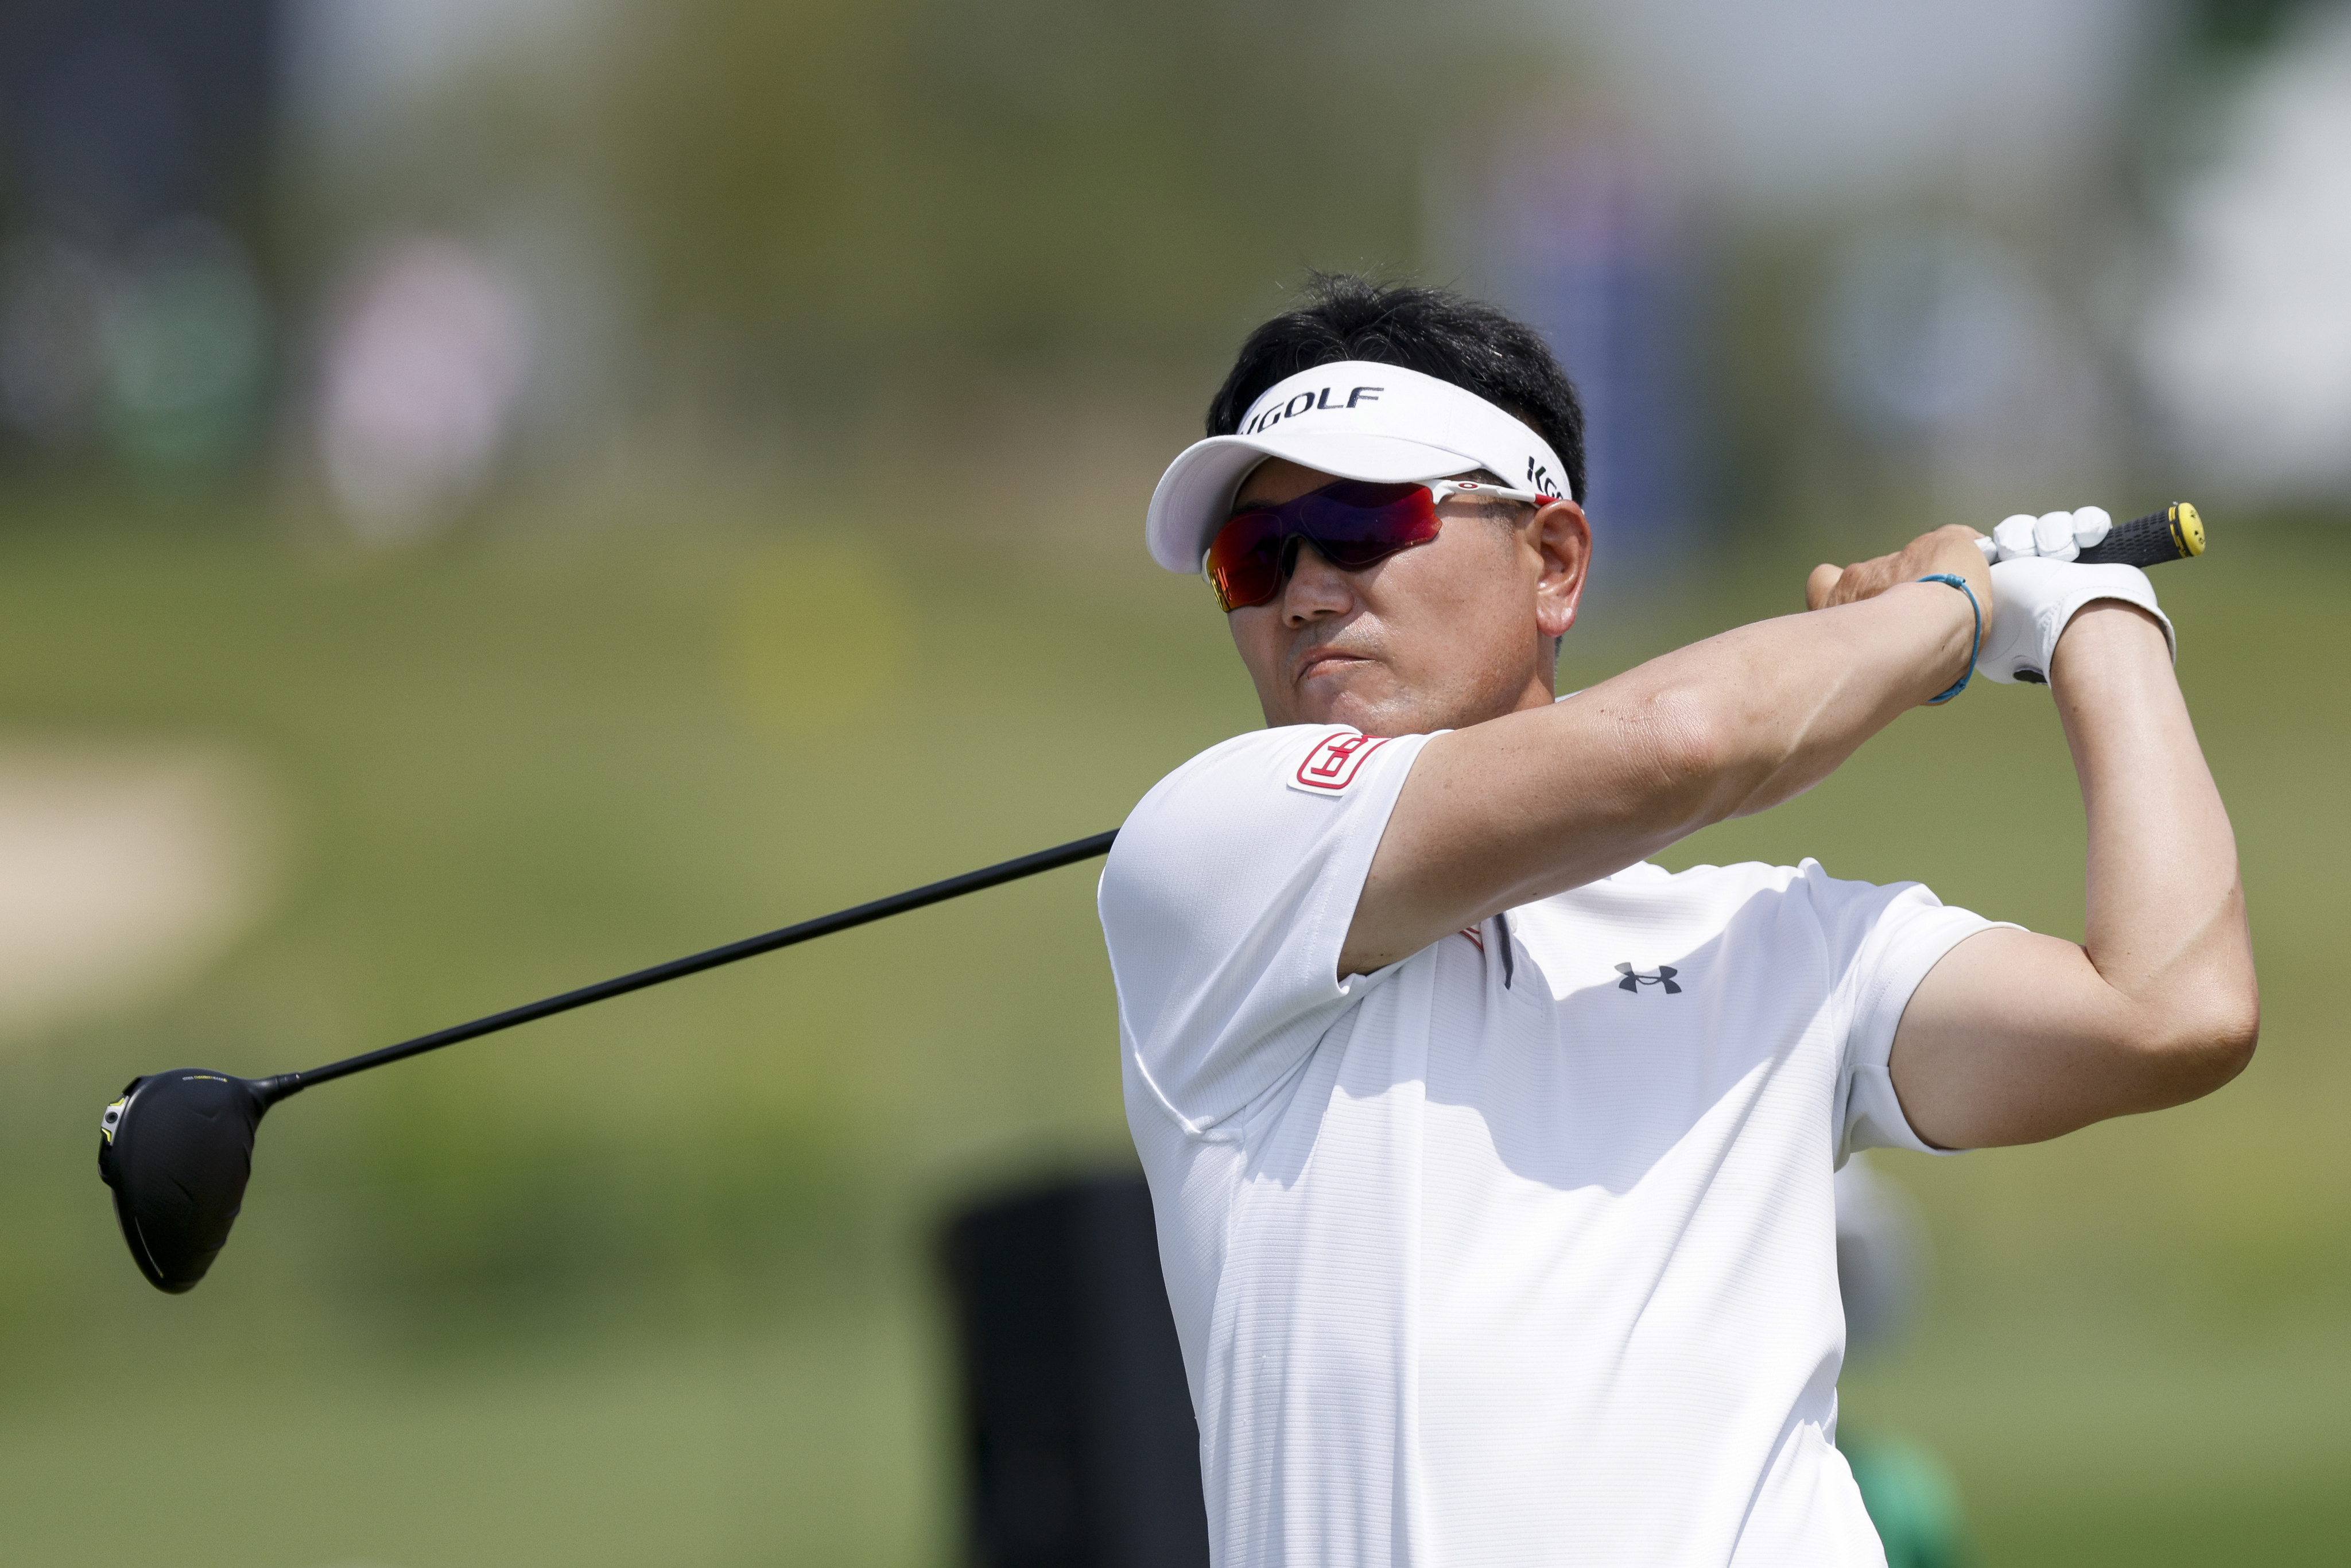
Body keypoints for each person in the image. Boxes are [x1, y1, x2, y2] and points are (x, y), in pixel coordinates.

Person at [1095, 274, 2256, 1567]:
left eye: (1360, 524)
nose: (1304, 592)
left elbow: (2171, 1008)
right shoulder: (1210, 850)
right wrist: (1949, 609)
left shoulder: (1781, 941)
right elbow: (1689, 739)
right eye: (1253, 558)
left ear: (1553, 562)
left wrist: (2097, 619)